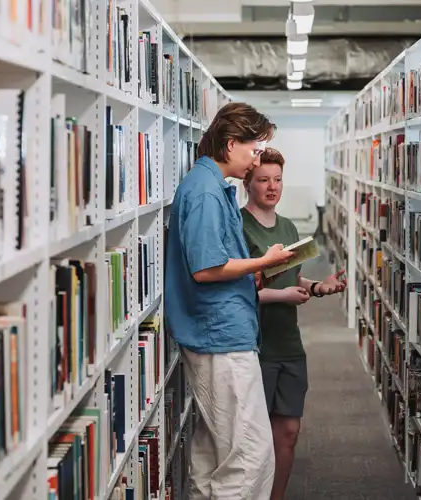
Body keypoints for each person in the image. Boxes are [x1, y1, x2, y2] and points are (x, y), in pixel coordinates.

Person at [164, 102, 294, 500]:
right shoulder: (204, 191)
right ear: (231, 143)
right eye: (254, 149)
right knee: (249, 457)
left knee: (212, 453)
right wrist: (264, 260)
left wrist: (252, 270)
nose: (257, 159)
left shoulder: (209, 185)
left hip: (218, 330)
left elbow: (215, 257)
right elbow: (205, 269)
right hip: (219, 335)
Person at [240, 147, 347, 500]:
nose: (272, 187)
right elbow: (238, 292)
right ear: (248, 183)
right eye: (263, 180)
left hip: (289, 342)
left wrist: (318, 287)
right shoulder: (239, 226)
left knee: (289, 430)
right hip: (257, 344)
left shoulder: (287, 226)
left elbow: (292, 280)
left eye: (277, 180)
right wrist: (282, 297)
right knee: (255, 438)